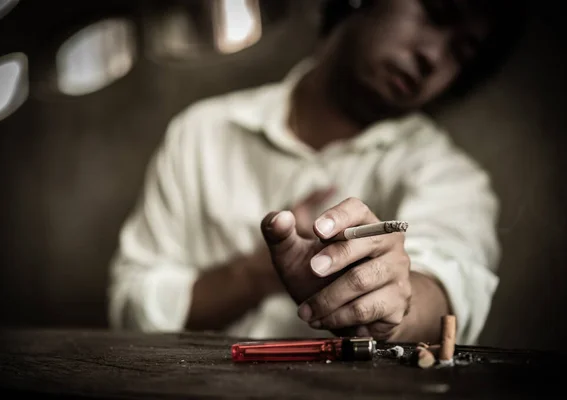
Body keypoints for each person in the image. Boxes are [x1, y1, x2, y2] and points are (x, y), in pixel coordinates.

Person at [108, 0, 526, 345]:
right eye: (435, 13)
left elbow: (451, 286)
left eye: (461, 52)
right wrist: (258, 274)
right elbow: (130, 307)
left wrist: (397, 303)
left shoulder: (450, 178)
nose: (433, 57)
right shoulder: (201, 132)